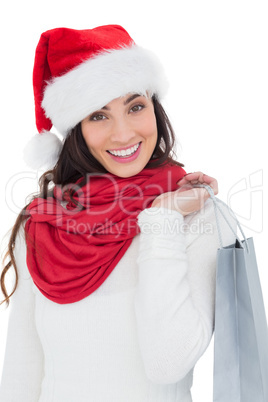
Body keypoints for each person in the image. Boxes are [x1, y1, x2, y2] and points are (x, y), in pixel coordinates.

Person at [0, 25, 236, 402]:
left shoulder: (195, 217)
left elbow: (167, 363)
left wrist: (162, 219)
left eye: (135, 107)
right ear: (75, 130)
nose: (123, 133)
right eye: (98, 115)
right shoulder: (43, 224)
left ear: (155, 109)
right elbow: (21, 373)